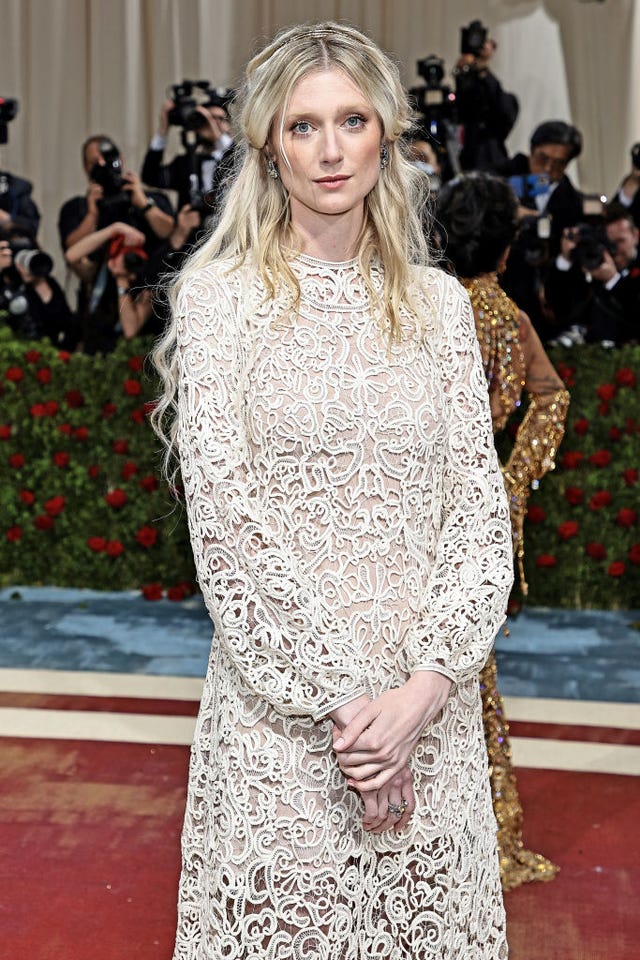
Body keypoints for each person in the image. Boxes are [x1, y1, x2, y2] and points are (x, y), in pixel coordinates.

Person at [152, 21, 514, 959]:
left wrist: (425, 692)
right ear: (269, 145)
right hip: (286, 722)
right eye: (303, 125)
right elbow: (228, 527)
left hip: (425, 721)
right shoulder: (219, 298)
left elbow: (479, 509)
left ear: (385, 134)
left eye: (350, 119)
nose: (329, 147)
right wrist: (353, 716)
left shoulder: (437, 304)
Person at [436, 171, 570, 890]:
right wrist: (510, 483)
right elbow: (552, 398)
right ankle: (482, 831)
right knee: (468, 670)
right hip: (473, 514)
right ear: (508, 248)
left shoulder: (417, 309)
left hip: (407, 507)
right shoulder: (507, 316)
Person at [453, 20, 519, 173]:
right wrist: (462, 73)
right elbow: (463, 109)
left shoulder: (506, 98)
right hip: (463, 161)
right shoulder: (464, 83)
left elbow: (503, 115)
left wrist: (483, 71)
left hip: (491, 163)